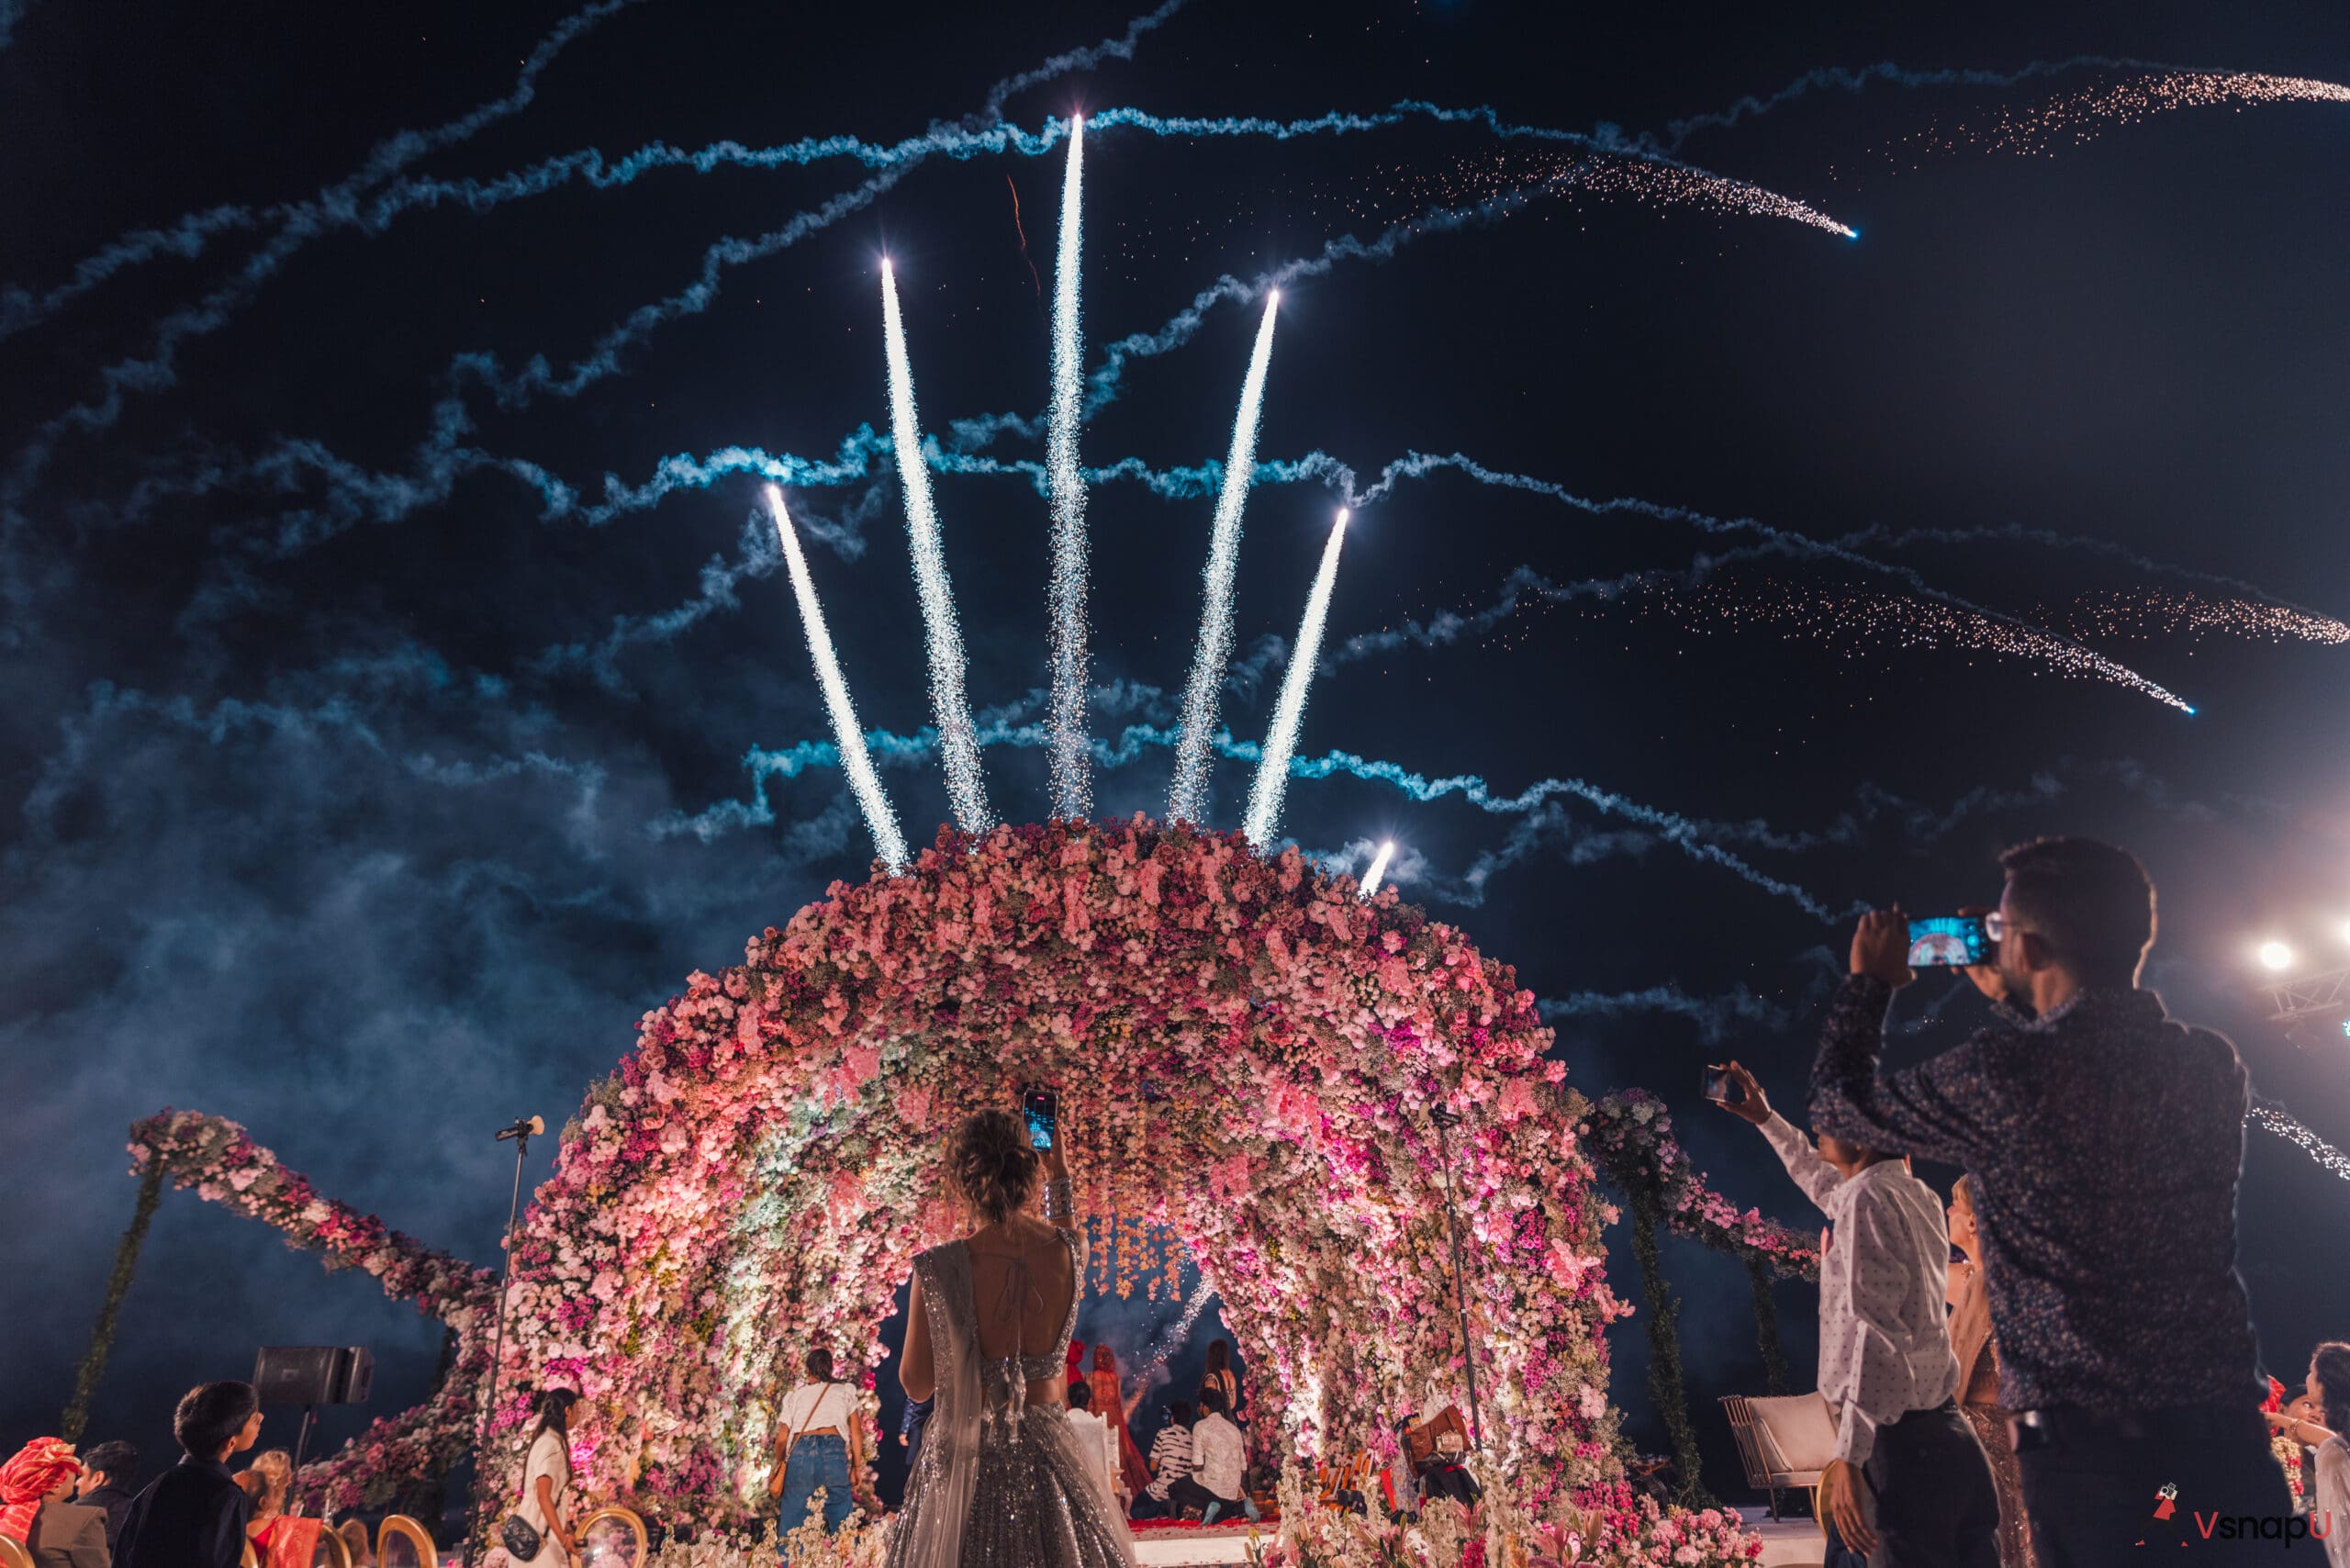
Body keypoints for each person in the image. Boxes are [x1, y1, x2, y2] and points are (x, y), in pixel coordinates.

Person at [1807, 838, 2288, 1556]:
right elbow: (2088, 1055)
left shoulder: (2003, 1077)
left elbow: (1837, 1109)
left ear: (2024, 948)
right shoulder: (2208, 1065)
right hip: (2223, 1442)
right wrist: (2024, 994)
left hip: (2094, 1460)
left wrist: (1867, 984)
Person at [1714, 1059, 1998, 1565]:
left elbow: (1877, 1338)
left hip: (1899, 1446)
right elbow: (1825, 1183)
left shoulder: (1867, 1200)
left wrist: (1850, 1454)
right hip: (1947, 1434)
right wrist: (1767, 1120)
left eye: (1828, 1118)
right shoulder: (1916, 1195)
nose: (1818, 1127)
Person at [885, 1106, 1133, 1568]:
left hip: (964, 1465)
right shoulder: (1068, 1254)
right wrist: (1058, 1172)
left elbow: (917, 1384)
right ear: (1027, 1172)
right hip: (1048, 1462)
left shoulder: (938, 1269)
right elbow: (1066, 1230)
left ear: (962, 1180)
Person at [1946, 1177, 2034, 1568]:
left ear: (1974, 1223)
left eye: (1954, 1205)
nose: (1947, 1211)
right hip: (1972, 1441)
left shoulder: (1996, 1285)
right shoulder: (1973, 1281)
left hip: (1993, 1446)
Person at [117, 1382, 263, 1568]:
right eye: (254, 1419)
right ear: (230, 1443)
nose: (261, 1419)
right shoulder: (227, 1495)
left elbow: (123, 1555)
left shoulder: (156, 1486)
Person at [771, 1349, 864, 1543]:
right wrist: (856, 1467)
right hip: (833, 1451)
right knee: (842, 1522)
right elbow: (856, 1432)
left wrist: (781, 1465)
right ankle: (846, 1562)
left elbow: (781, 1439)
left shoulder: (796, 1396)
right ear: (830, 1368)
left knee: (793, 1525)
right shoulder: (843, 1391)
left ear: (807, 1370)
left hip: (799, 1453)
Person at [1164, 1388, 1257, 1526]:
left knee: (1173, 1488)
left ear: (1206, 1408)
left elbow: (1197, 1464)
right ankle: (1241, 1506)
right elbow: (1243, 1468)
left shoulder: (1200, 1426)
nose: (1199, 1408)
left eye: (1200, 1405)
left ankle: (1207, 1505)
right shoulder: (1233, 1429)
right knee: (1220, 1508)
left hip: (1211, 1486)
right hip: (1231, 1489)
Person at [509, 1389, 579, 1568]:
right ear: (567, 1410)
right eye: (577, 1409)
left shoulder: (550, 1439)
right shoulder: (550, 1444)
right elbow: (543, 1495)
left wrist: (565, 1529)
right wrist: (563, 1540)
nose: (579, 1415)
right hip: (539, 1538)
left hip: (539, 1534)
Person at [2304, 1342, 2350, 1566]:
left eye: (2312, 1373)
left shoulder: (2333, 1451)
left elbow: (2338, 1541)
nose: (2307, 1378)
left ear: (2325, 1386)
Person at [1086, 1347, 1151, 1501]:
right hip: (1114, 1418)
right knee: (1119, 1454)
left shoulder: (1091, 1377)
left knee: (1101, 1454)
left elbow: (1090, 1403)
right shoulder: (1115, 1378)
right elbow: (1117, 1404)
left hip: (1098, 1418)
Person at [2, 1441, 85, 1545]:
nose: (77, 1479)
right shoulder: (79, 1522)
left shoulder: (4, 1516)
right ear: (56, 1486)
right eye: (72, 1468)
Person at [1061, 1383, 1123, 1514]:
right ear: (1089, 1401)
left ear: (1068, 1399)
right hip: (1096, 1485)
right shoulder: (1097, 1423)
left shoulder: (1063, 1423)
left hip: (1068, 1484)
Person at [74, 1445, 139, 1555]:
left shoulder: (72, 1513)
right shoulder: (140, 1513)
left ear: (98, 1478)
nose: (77, 1483)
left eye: (81, 1475)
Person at [1136, 1402, 1193, 1518]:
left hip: (1162, 1490)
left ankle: (1164, 1507)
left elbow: (1153, 1467)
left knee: (1134, 1511)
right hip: (1182, 1494)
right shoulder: (1192, 1438)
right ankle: (1168, 1509)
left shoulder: (1163, 1433)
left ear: (1172, 1418)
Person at [1198, 1343, 1239, 1425]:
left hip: (1215, 1425)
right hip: (1230, 1424)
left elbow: (1209, 1405)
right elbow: (1232, 1404)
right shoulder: (1231, 1375)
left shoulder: (1211, 1376)